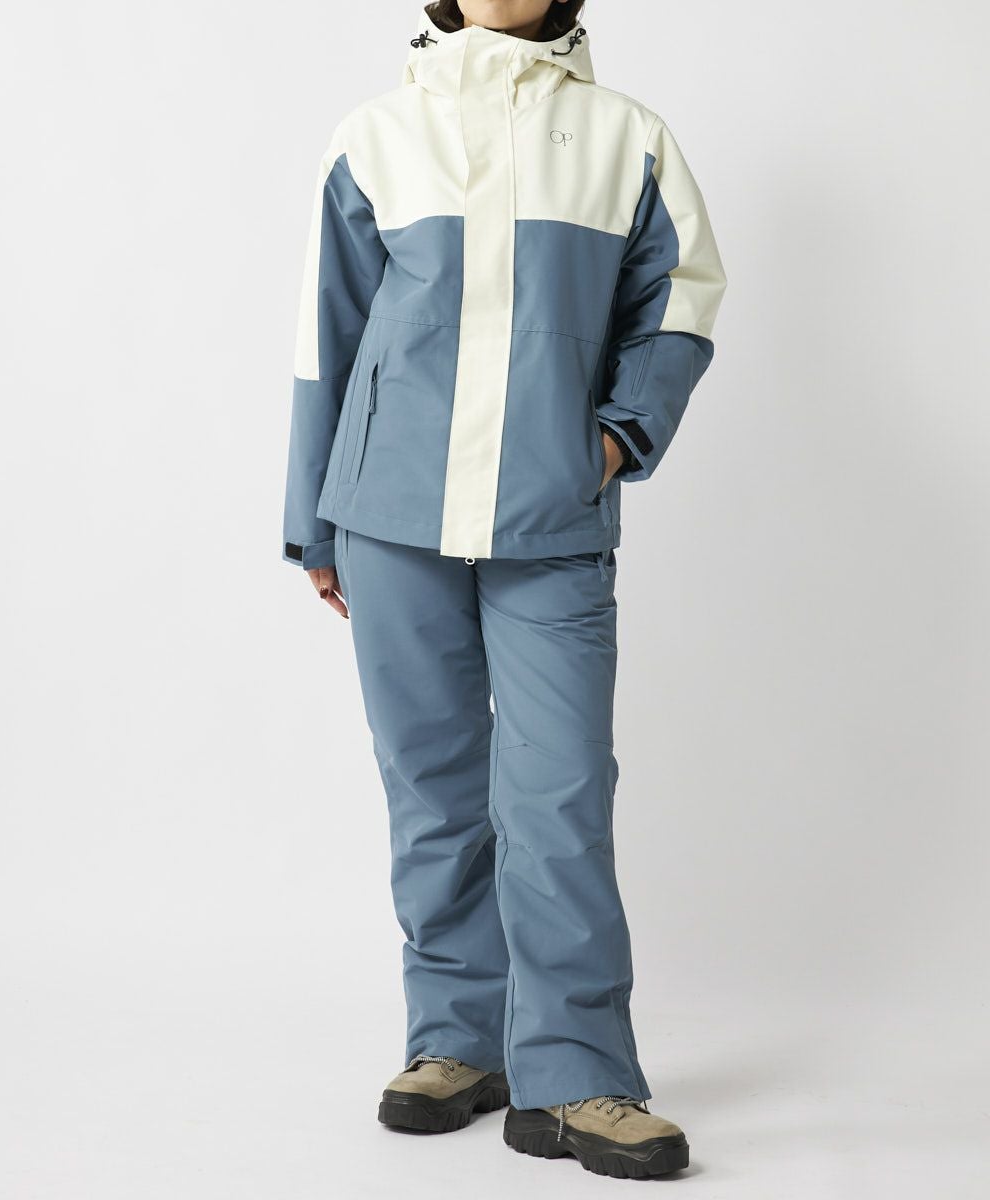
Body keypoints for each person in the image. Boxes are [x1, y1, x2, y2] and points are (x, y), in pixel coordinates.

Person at [281, 0, 726, 1180]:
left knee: (557, 792)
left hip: (550, 516)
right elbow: (325, 332)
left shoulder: (625, 136)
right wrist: (311, 518)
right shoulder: (375, 135)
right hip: (387, 513)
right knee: (430, 786)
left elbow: (681, 297)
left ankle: (575, 1075)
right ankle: (456, 1042)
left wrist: (617, 437)